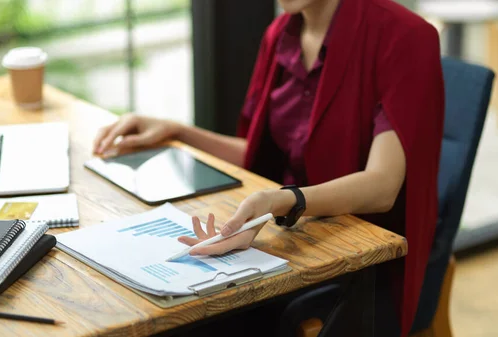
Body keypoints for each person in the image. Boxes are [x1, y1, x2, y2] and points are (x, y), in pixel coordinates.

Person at [93, 0, 444, 335]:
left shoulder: (407, 36)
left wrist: (282, 201)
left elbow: (382, 186)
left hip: (359, 267)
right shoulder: (280, 35)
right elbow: (258, 156)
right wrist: (177, 131)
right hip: (283, 242)